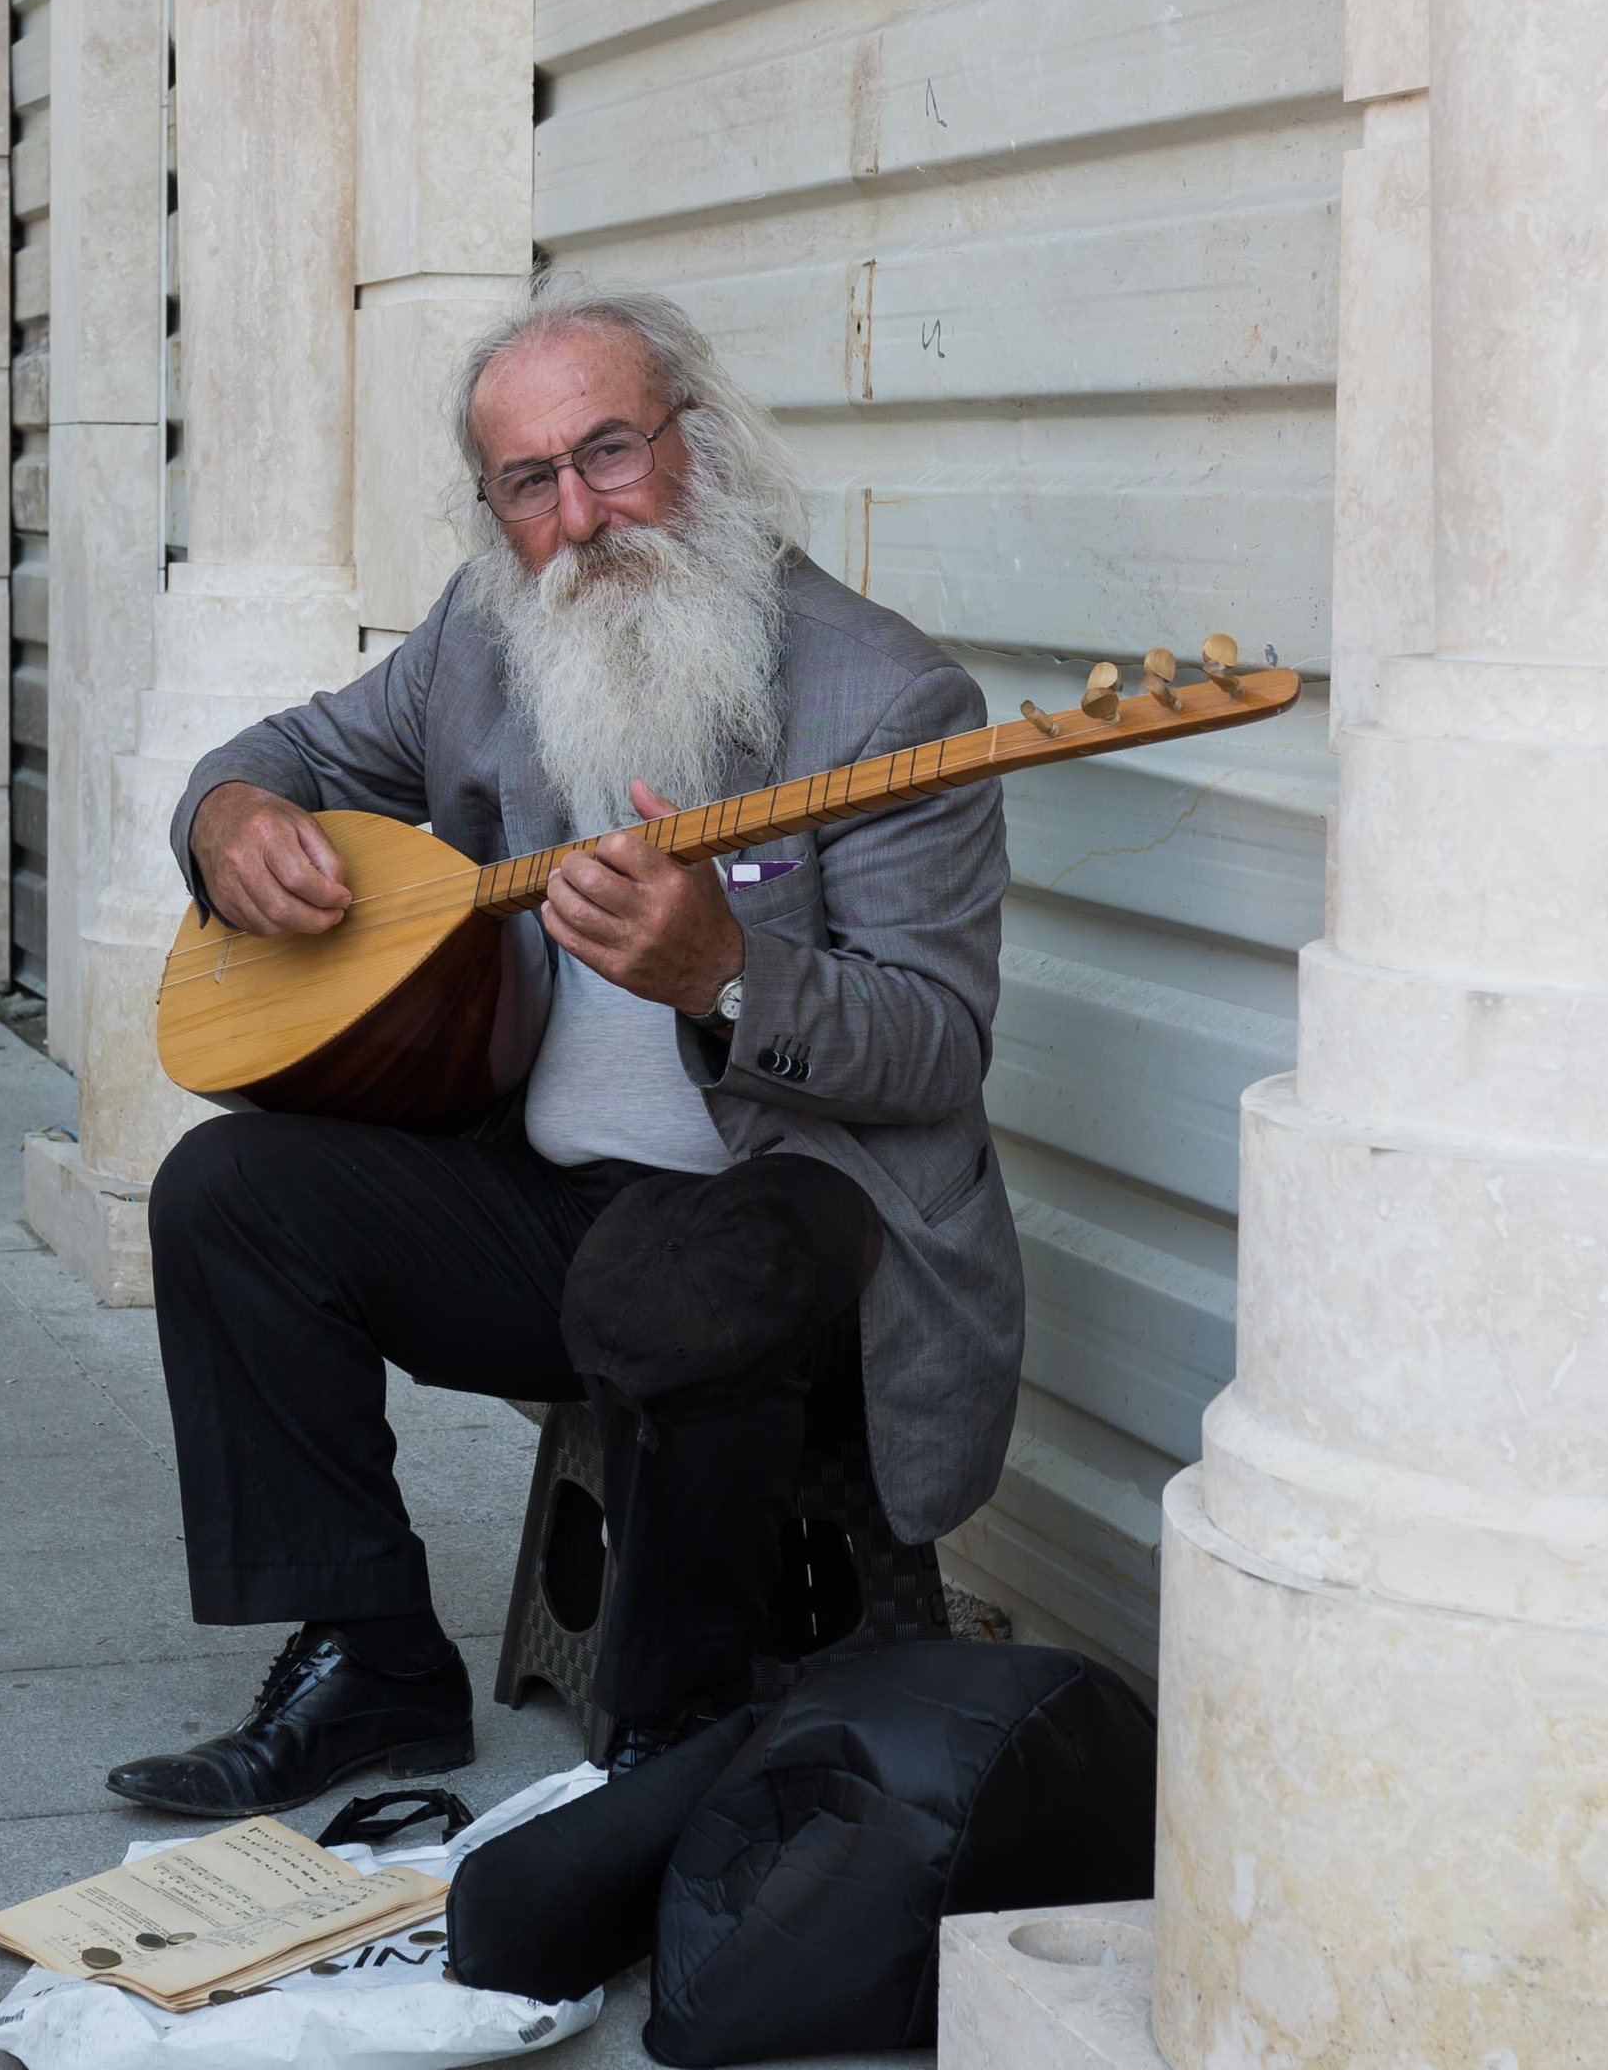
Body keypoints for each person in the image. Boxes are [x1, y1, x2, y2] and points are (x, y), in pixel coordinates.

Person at [105, 278, 1025, 1818]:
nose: (580, 517)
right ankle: (371, 1659)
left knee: (673, 1279)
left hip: (801, 1227)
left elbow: (936, 1046)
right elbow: (289, 753)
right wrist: (229, 817)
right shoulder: (484, 639)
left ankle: (675, 1734)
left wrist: (725, 976)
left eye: (610, 452)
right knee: (228, 1195)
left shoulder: (890, 698)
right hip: (555, 1211)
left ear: (699, 442)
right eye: (528, 482)